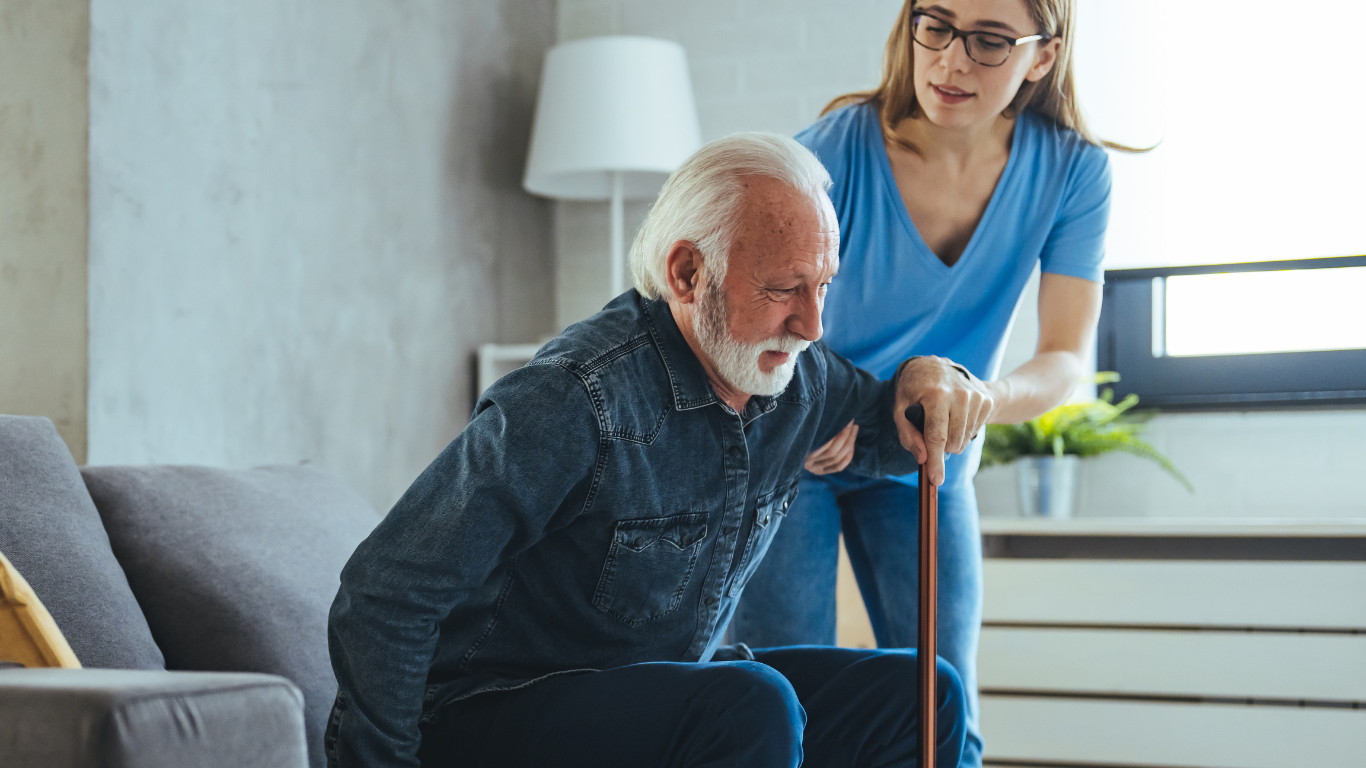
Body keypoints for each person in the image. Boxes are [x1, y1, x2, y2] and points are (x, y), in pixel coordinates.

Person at [326, 132, 974, 768]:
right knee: (750, 705)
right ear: (688, 273)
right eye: (783, 290)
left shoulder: (794, 375)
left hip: (663, 692)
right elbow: (387, 591)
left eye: (823, 286)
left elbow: (897, 428)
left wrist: (934, 377)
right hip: (498, 711)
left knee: (925, 696)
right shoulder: (575, 399)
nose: (812, 325)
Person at [731, 2, 1132, 765]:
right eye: (936, 25)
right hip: (797, 446)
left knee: (944, 702)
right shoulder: (834, 152)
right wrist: (832, 400)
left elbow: (1064, 358)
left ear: (1041, 57)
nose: (950, 62)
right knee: (781, 696)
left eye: (988, 41)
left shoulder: (1074, 172)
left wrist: (980, 398)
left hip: (931, 451)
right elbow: (760, 313)